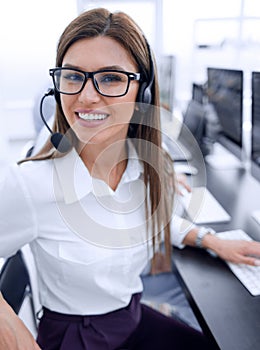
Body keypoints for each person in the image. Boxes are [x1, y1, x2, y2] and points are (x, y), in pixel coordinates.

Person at [1, 8, 260, 350]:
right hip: (75, 338)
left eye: (110, 78)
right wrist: (16, 336)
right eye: (73, 76)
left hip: (131, 320)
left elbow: (151, 218)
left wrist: (209, 240)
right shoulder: (32, 183)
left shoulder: (143, 164)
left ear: (143, 91)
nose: (87, 96)